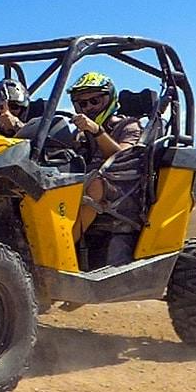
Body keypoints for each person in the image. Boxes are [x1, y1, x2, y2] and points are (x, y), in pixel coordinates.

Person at [66, 71, 146, 269]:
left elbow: (124, 157)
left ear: (109, 99)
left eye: (94, 101)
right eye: (82, 104)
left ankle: (64, 248)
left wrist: (97, 131)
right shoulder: (80, 132)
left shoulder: (129, 125)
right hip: (89, 179)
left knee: (95, 184)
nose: (89, 107)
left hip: (124, 186)